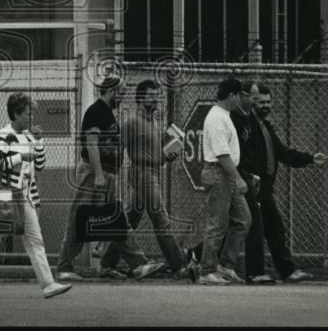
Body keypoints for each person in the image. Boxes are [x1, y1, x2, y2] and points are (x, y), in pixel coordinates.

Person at [57, 74, 165, 281]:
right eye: (121, 92)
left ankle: (133, 265)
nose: (123, 97)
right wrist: (98, 174)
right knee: (79, 219)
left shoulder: (107, 113)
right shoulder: (96, 111)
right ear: (112, 91)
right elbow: (91, 143)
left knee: (116, 220)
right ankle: (64, 267)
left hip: (107, 174)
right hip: (94, 173)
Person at [0, 93, 72, 299]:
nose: (31, 118)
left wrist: (38, 142)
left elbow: (40, 165)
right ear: (16, 114)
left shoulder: (28, 136)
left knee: (35, 240)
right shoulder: (3, 135)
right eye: (28, 114)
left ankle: (48, 284)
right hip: (4, 193)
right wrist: (20, 156)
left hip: (24, 195)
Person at [237, 82, 326, 284]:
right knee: (250, 229)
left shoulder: (265, 126)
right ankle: (255, 272)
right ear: (251, 101)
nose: (266, 106)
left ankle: (287, 271)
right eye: (261, 102)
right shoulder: (247, 125)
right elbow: (244, 156)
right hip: (253, 185)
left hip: (264, 187)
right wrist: (250, 177)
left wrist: (310, 158)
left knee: (273, 229)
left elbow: (283, 153)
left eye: (268, 102)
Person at [107, 80, 187, 278]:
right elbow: (118, 148)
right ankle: (179, 266)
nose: (156, 99)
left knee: (133, 218)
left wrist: (170, 151)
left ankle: (107, 264)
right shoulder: (132, 122)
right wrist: (110, 177)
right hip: (142, 173)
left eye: (157, 95)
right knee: (161, 219)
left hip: (151, 171)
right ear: (140, 98)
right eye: (152, 95)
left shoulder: (153, 122)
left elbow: (158, 157)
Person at [196, 77, 251, 286]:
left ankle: (225, 266)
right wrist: (238, 179)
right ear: (232, 96)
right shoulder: (217, 118)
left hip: (226, 174)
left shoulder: (225, 115)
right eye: (240, 96)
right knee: (217, 224)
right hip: (219, 173)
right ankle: (206, 270)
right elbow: (222, 154)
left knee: (243, 220)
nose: (241, 100)